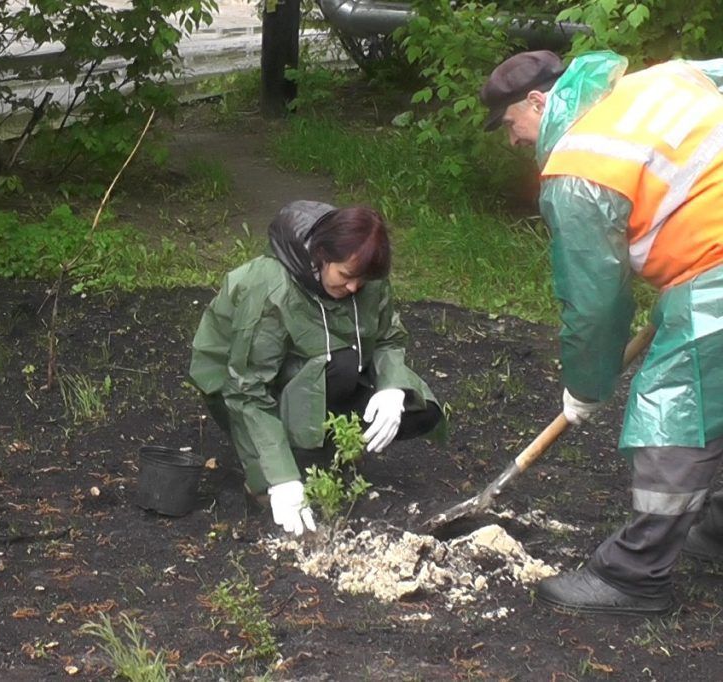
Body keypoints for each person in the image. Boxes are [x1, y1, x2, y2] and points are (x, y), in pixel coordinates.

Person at [481, 49, 723, 614]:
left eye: (510, 125)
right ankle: (716, 534)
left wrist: (586, 388)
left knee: (677, 402)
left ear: (538, 102)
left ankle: (634, 576)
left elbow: (594, 307)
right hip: (708, 264)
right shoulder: (656, 81)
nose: (513, 141)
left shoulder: (579, 167)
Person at [190, 201, 442, 536]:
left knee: (417, 410)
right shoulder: (271, 288)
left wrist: (393, 387)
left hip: (313, 372)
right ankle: (288, 460)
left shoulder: (367, 278)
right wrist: (280, 478)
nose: (354, 288)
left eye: (363, 280)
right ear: (320, 256)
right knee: (334, 370)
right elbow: (246, 390)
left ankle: (321, 451)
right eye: (347, 276)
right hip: (237, 385)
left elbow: (388, 338)